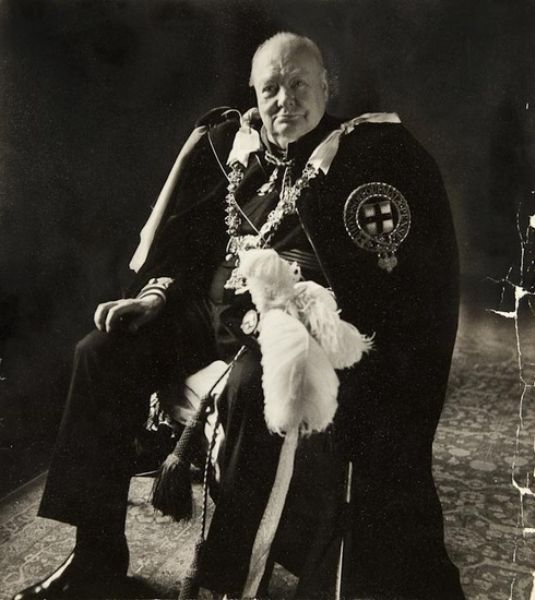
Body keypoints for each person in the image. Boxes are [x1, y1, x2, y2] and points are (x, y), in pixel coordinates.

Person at [13, 32, 465, 600]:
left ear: (326, 87)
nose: (285, 100)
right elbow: (190, 246)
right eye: (271, 88)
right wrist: (155, 296)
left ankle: (226, 582)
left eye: (299, 84)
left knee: (255, 389)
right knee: (101, 352)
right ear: (254, 91)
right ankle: (94, 558)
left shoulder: (364, 158)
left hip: (293, 327)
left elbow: (383, 286)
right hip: (212, 311)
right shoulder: (234, 148)